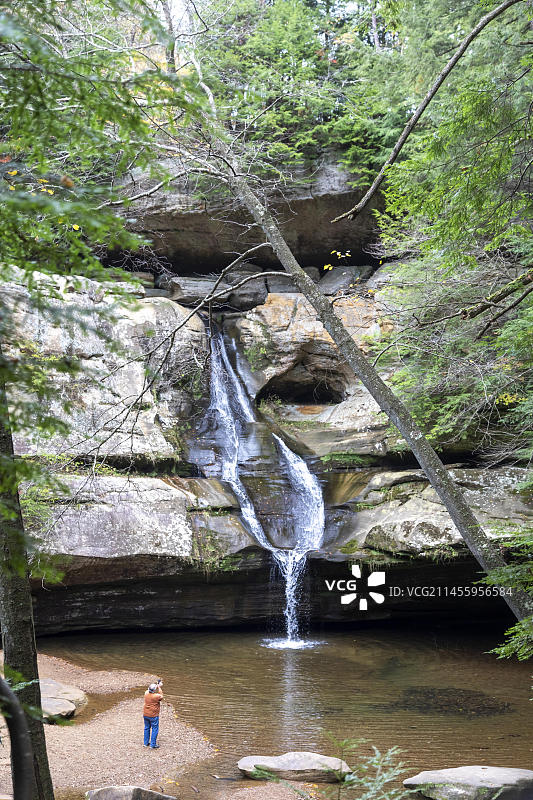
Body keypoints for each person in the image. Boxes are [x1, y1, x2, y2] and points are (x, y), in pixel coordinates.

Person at [143, 679, 163, 749]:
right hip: (153, 715)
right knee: (155, 729)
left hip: (145, 714)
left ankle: (145, 743)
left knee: (146, 728)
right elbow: (161, 696)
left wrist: (155, 686)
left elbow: (149, 690)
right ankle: (152, 744)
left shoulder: (146, 693)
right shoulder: (156, 696)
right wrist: (159, 687)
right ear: (154, 690)